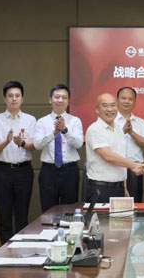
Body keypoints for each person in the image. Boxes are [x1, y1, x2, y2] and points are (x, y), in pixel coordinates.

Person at [0, 81, 36, 244]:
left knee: (22, 214)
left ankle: (22, 250)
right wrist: (6, 142)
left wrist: (22, 143)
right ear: (4, 99)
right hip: (2, 171)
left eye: (17, 95)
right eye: (10, 96)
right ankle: (4, 251)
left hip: (23, 171)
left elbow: (33, 146)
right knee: (4, 214)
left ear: (22, 99)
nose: (14, 99)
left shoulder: (30, 120)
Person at [86, 93, 144, 203]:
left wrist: (124, 187)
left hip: (119, 189)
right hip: (101, 189)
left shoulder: (118, 129)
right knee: (101, 216)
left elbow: (121, 157)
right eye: (105, 105)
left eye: (113, 105)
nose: (110, 109)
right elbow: (108, 156)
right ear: (97, 110)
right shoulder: (95, 129)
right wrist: (133, 165)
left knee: (122, 216)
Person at [33, 84, 84, 212]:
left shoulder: (75, 121)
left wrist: (65, 130)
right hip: (48, 172)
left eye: (64, 97)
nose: (60, 100)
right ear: (50, 100)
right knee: (48, 211)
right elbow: (37, 145)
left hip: (70, 171)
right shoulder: (42, 122)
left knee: (70, 211)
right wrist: (54, 133)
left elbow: (79, 144)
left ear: (68, 101)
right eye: (57, 97)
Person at [115, 87, 144, 202]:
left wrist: (132, 133)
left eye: (130, 99)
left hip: (134, 169)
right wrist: (122, 132)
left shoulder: (141, 122)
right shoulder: (110, 121)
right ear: (117, 100)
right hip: (114, 168)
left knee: (135, 204)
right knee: (114, 205)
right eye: (123, 98)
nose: (127, 101)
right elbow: (106, 144)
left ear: (135, 102)